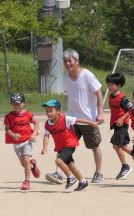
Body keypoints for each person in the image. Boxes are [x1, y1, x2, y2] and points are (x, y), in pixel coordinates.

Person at [45, 48, 105, 184]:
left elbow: (99, 94)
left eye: (70, 61)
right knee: (63, 146)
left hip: (89, 119)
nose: (67, 63)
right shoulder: (66, 78)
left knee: (95, 146)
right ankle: (58, 173)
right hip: (71, 120)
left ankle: (99, 172)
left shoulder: (87, 75)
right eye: (65, 61)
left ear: (76, 61)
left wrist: (100, 113)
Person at [41, 99, 98, 191]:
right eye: (47, 111)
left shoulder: (65, 119)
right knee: (70, 164)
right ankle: (83, 182)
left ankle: (70, 178)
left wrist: (92, 123)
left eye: (51, 111)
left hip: (69, 144)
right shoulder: (47, 124)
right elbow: (46, 136)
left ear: (58, 111)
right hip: (60, 147)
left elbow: (79, 120)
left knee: (58, 161)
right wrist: (44, 147)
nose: (48, 113)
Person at [4, 92, 40, 190]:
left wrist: (34, 134)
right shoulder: (9, 116)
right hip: (16, 143)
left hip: (27, 141)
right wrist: (13, 135)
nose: (16, 105)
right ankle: (33, 166)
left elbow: (36, 123)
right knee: (24, 164)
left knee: (26, 160)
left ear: (24, 103)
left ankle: (26, 182)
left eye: (18, 103)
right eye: (14, 103)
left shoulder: (28, 114)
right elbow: (7, 129)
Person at [106, 73, 134, 179]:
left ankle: (125, 167)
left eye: (111, 84)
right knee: (123, 146)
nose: (109, 85)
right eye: (108, 83)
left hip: (122, 125)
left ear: (118, 85)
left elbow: (131, 109)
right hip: (116, 125)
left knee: (116, 145)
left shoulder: (122, 98)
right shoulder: (110, 96)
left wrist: (122, 118)